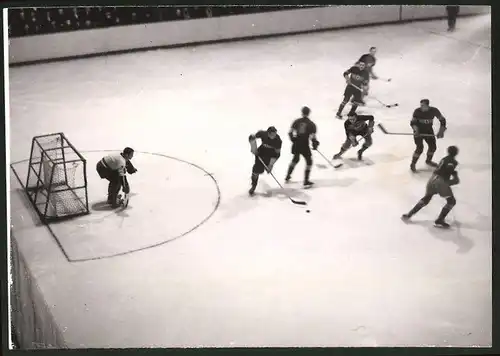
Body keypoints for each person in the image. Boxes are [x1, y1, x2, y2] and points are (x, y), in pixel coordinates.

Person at [402, 146, 459, 228]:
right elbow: (448, 173)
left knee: (426, 198)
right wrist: (455, 177)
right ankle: (440, 219)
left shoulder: (444, 159)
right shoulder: (453, 162)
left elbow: (442, 169)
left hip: (432, 179)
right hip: (441, 181)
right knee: (451, 201)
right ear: (456, 153)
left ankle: (409, 214)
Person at [410, 99, 447, 172]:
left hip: (429, 131)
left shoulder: (434, 111)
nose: (421, 107)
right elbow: (413, 123)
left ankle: (428, 161)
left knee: (433, 147)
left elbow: (442, 120)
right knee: (419, 148)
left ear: (428, 106)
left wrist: (441, 131)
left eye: (423, 106)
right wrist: (416, 130)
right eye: (421, 105)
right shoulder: (417, 111)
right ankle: (413, 164)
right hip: (418, 132)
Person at [285, 106, 319, 187]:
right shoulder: (311, 124)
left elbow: (290, 132)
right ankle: (306, 180)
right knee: (309, 162)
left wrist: (293, 140)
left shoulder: (296, 121)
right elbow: (313, 136)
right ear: (309, 113)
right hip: (304, 145)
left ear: (302, 112)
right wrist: (315, 144)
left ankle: (288, 176)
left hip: (296, 144)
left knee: (295, 159)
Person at [248, 126, 282, 196]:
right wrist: (253, 148)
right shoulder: (263, 134)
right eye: (271, 134)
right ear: (268, 133)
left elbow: (277, 154)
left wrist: (270, 165)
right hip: (261, 153)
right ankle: (253, 185)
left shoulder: (278, 141)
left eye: (275, 134)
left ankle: (266, 167)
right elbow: (253, 138)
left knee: (264, 169)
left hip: (270, 156)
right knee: (256, 170)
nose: (273, 136)